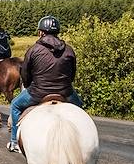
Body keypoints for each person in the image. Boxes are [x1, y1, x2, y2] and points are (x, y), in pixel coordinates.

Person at [7, 15, 83, 153]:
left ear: (41, 32)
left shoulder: (33, 49)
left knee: (15, 105)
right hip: (65, 92)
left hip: (38, 93)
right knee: (80, 107)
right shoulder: (69, 50)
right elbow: (72, 75)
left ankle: (14, 142)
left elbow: (25, 75)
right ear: (57, 32)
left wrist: (29, 86)